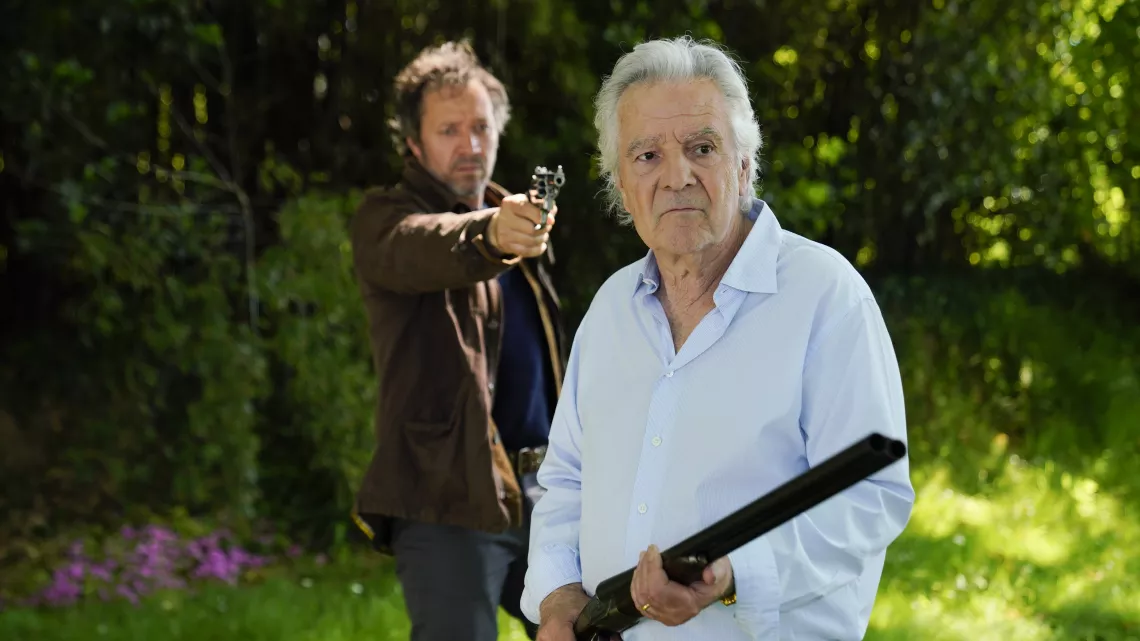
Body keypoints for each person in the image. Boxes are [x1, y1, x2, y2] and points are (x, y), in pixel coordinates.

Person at [520, 36, 915, 641]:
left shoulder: (825, 297)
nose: (676, 177)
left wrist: (734, 575)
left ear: (744, 163)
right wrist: (557, 595)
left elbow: (871, 497)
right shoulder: (609, 311)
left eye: (701, 148)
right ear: (621, 185)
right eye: (647, 156)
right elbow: (566, 478)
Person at [347, 40, 566, 641]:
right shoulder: (385, 219)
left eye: (480, 127)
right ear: (414, 143)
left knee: (599, 630)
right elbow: (428, 243)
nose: (470, 144)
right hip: (446, 496)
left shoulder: (517, 216)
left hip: (543, 492)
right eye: (449, 130)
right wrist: (491, 234)